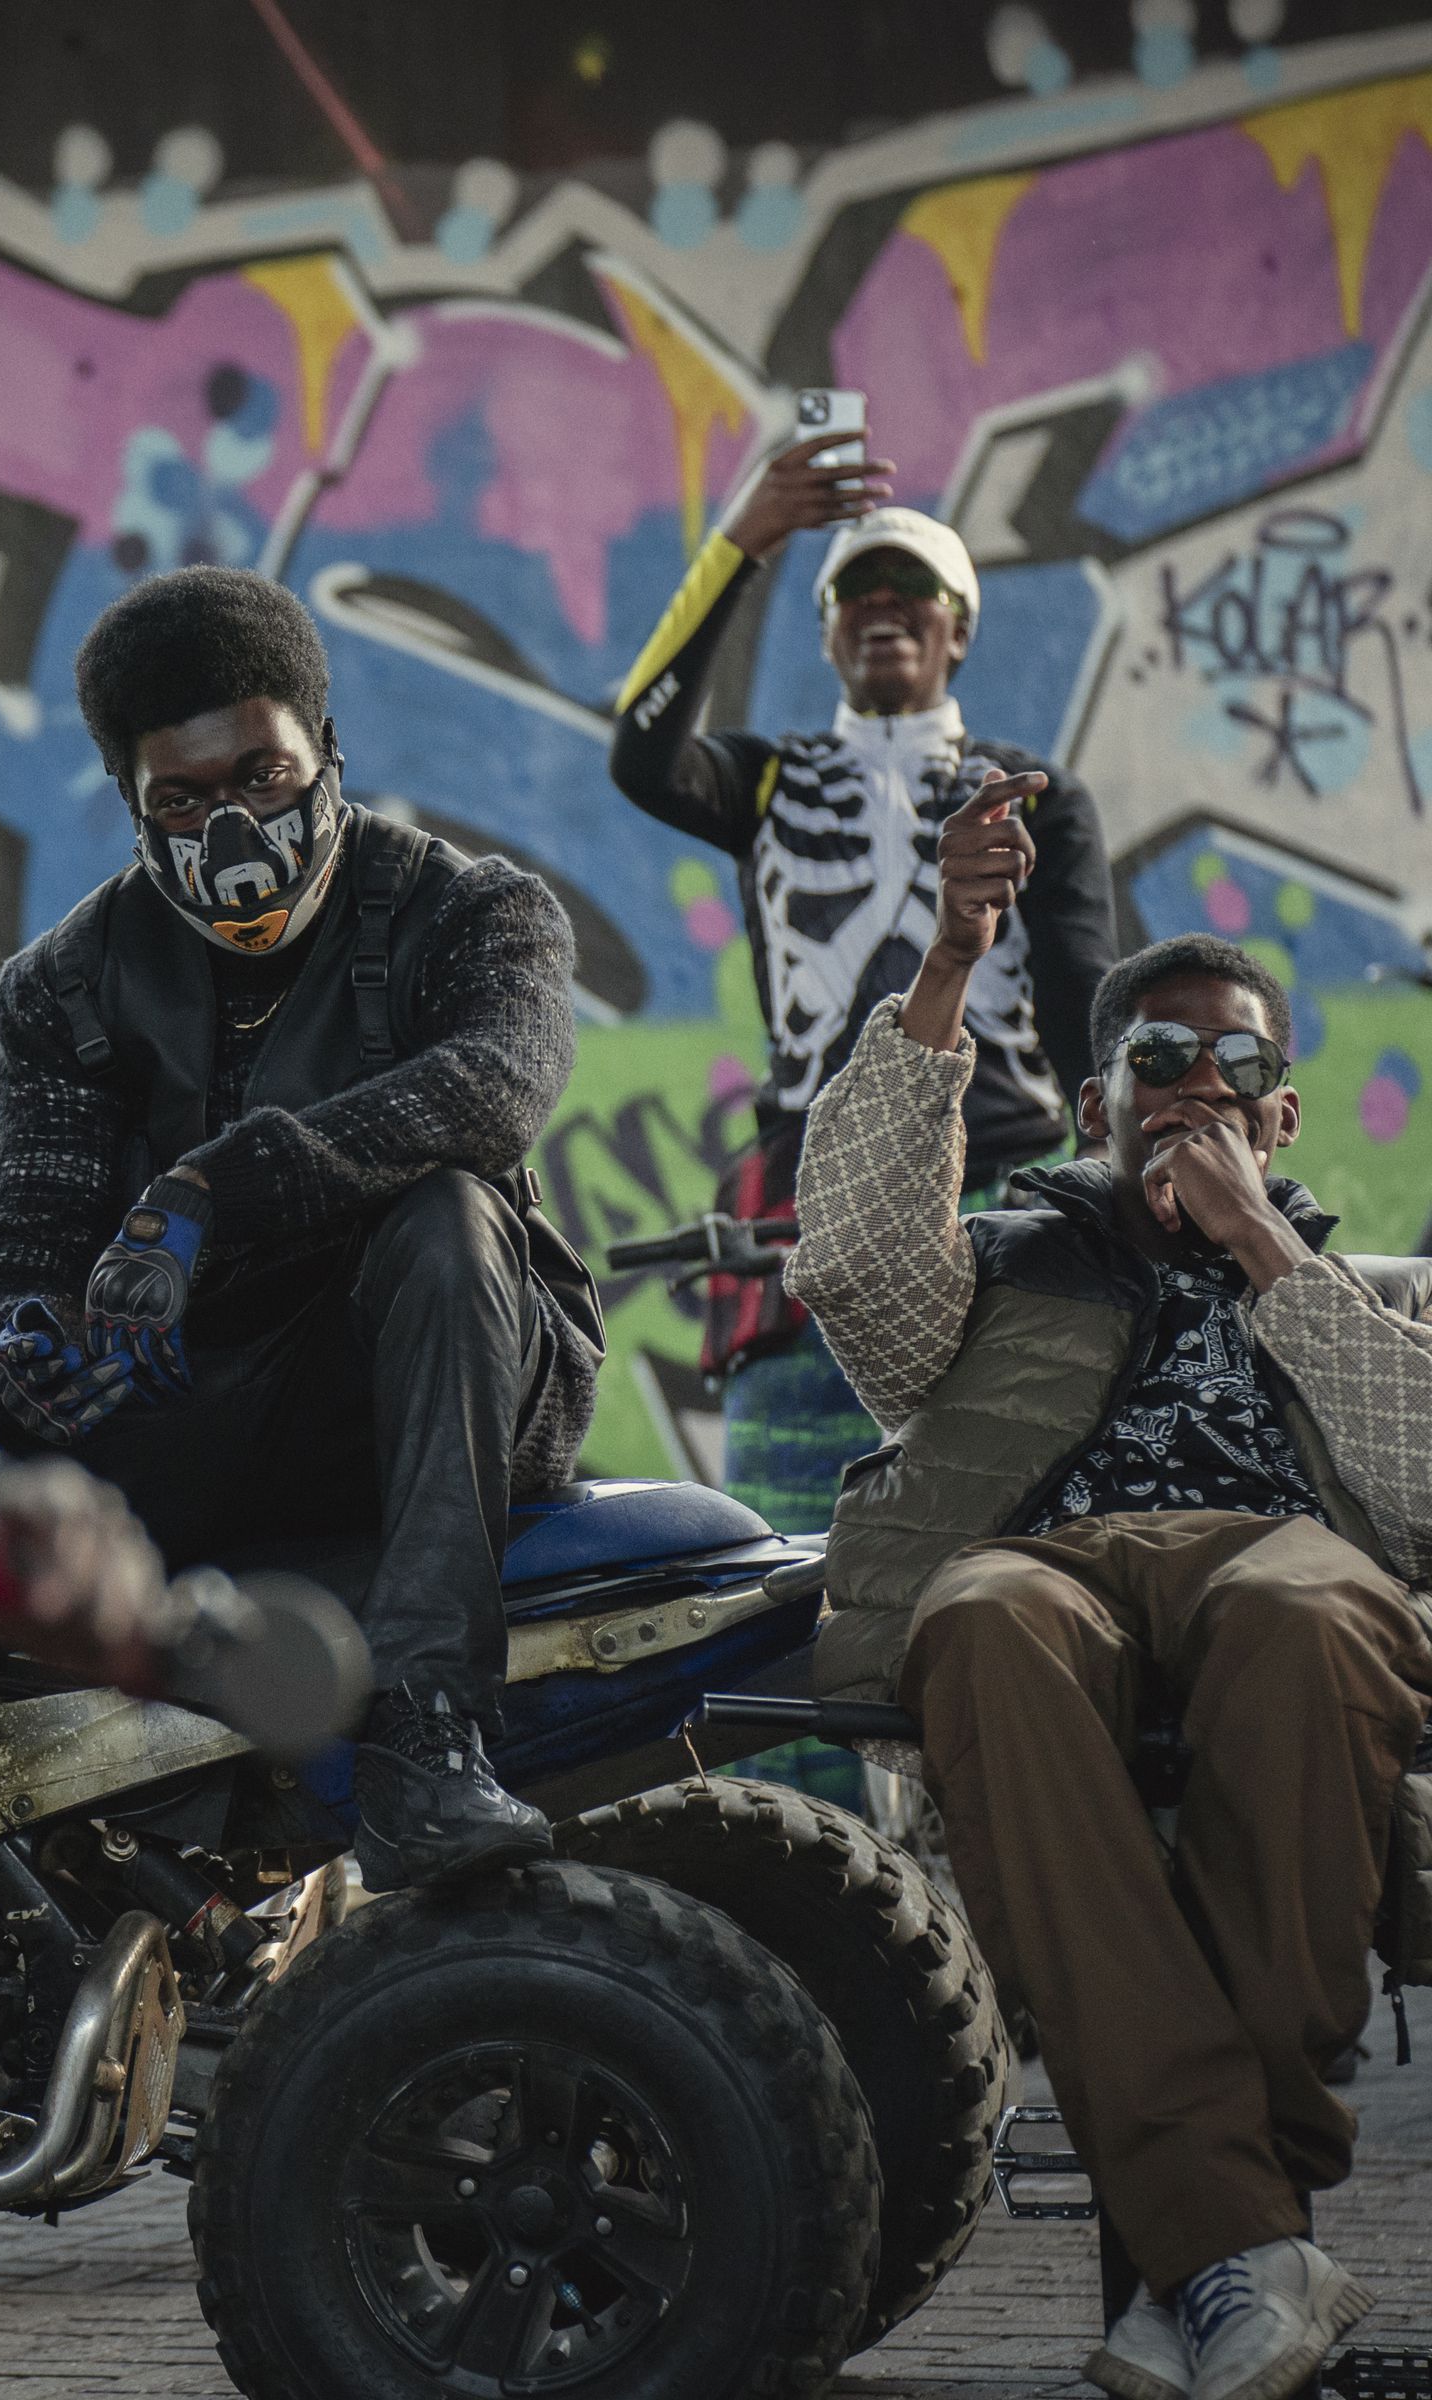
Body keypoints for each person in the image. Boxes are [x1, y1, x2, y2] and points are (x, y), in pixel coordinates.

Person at [0, 564, 603, 2172]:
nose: (228, 823)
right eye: (180, 796)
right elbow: (22, 1229)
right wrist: (17, 1332)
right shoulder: (65, 982)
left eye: (258, 774)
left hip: (432, 1391)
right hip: (200, 1409)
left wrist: (208, 1190)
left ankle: (426, 1742)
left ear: (323, 742)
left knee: (451, 1219)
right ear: (132, 805)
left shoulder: (474, 912)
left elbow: (490, 1095)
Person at [784, 771, 1432, 2400]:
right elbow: (852, 1265)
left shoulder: (1373, 1294)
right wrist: (947, 959)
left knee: (1307, 1613)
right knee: (986, 1621)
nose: (1200, 1087)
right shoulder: (1002, 1267)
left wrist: (1262, 1248)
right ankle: (1241, 2253)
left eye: (1242, 1067)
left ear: (1285, 1117)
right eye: (1161, 1059)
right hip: (1047, 1565)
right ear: (1096, 1104)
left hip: (1280, 1560)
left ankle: (1201, 2259)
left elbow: (1425, 1493)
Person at [609, 427, 1116, 1530]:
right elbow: (641, 751)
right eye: (857, 589)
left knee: (1010, 1538)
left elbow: (1083, 994)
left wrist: (1118, 1165)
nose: (885, 602)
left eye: (915, 587)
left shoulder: (1036, 794)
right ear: (829, 629)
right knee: (789, 1560)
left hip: (1003, 1197)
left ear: (960, 629)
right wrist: (746, 538)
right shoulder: (764, 779)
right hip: (807, 1206)